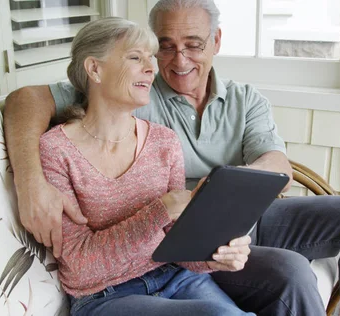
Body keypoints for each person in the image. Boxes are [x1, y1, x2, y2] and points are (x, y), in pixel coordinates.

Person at [4, 0, 340, 315]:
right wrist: (29, 178)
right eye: (165, 48)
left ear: (216, 41)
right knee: (289, 273)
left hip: (234, 220)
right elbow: (27, 98)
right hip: (166, 242)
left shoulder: (241, 101)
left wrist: (223, 194)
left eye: (193, 44)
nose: (177, 61)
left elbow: (278, 165)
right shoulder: (133, 93)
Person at [40, 17, 254, 315]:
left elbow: (177, 245)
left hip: (177, 278)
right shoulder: (57, 150)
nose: (152, 68)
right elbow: (78, 268)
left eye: (150, 57)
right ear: (94, 69)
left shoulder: (164, 142)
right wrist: (159, 210)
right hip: (105, 296)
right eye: (135, 57)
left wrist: (215, 256)